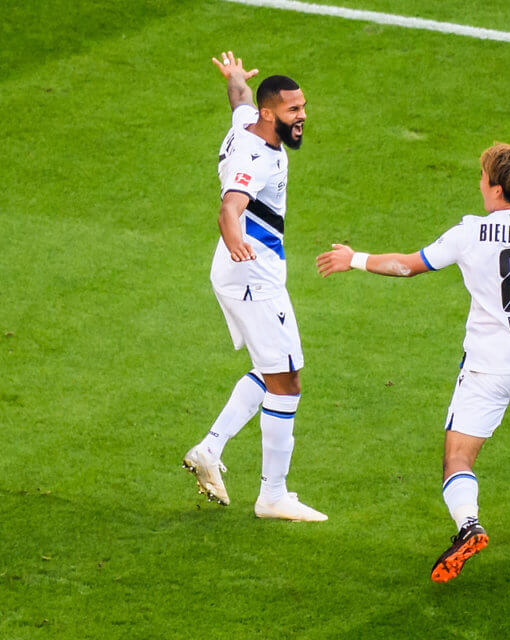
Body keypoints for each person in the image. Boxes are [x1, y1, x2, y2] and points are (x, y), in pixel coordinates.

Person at [316, 143, 510, 582]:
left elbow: (408, 266)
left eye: (481, 178)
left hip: (487, 367)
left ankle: (469, 525)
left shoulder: (469, 232)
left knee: (457, 458)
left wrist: (354, 259)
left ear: (495, 188)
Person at [182, 51, 326, 522]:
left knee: (272, 371)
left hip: (240, 271)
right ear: (271, 115)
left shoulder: (251, 120)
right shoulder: (253, 157)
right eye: (293, 111)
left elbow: (239, 99)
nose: (302, 117)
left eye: (302, 107)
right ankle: (273, 496)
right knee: (287, 381)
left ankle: (210, 447)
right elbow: (230, 206)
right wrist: (236, 241)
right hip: (251, 275)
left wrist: (235, 78)